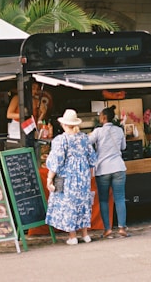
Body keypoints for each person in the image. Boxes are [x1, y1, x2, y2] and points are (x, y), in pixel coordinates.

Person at [45, 109, 97, 245]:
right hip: (83, 177)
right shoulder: (84, 138)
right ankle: (85, 235)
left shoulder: (61, 140)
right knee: (84, 204)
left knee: (70, 205)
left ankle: (73, 236)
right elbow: (92, 158)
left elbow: (56, 161)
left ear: (63, 125)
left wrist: (49, 178)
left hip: (68, 178)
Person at [89, 105, 128, 238]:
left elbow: (87, 142)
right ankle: (122, 228)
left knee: (104, 200)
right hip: (118, 167)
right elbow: (123, 147)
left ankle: (108, 229)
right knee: (120, 198)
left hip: (103, 169)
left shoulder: (98, 132)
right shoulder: (119, 130)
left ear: (104, 118)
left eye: (100, 116)